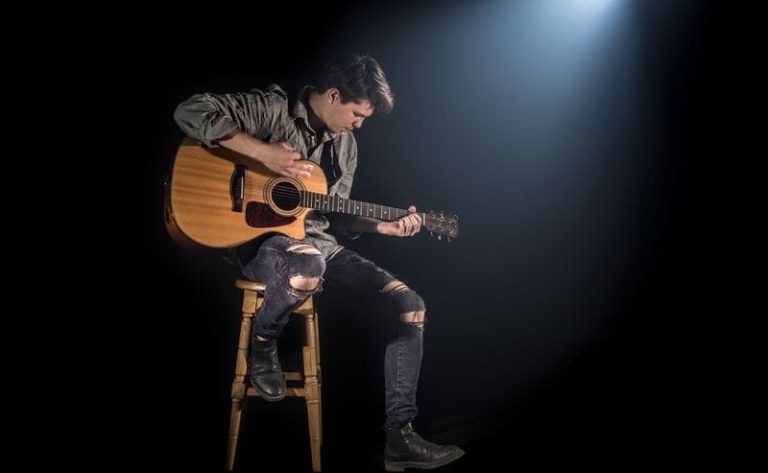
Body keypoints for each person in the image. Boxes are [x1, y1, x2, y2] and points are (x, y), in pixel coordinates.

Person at [173, 53, 464, 471]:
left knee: (409, 305)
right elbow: (189, 110)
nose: (360, 124)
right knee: (308, 267)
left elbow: (337, 218)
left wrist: (383, 227)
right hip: (266, 243)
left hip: (318, 246)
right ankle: (261, 347)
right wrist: (262, 153)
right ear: (333, 95)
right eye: (358, 114)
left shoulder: (345, 146)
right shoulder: (272, 109)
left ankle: (400, 437)